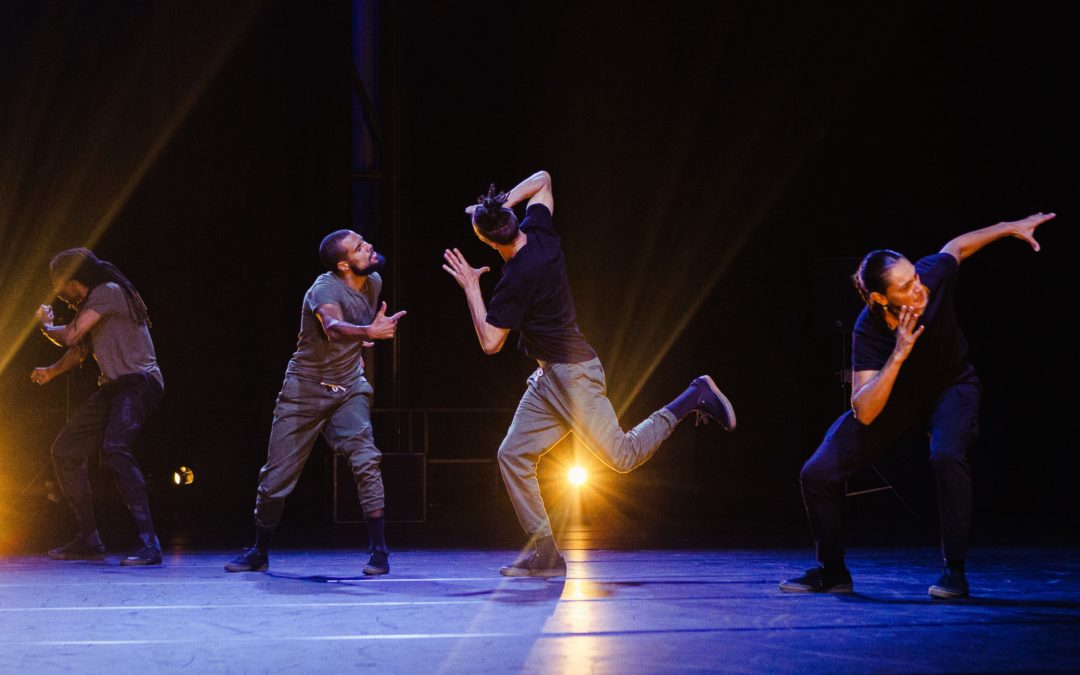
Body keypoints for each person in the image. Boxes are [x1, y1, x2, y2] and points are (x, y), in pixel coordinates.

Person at [442, 170, 736, 577]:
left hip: (574, 377)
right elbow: (543, 179)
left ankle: (694, 395)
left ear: (490, 243)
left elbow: (491, 343)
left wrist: (472, 287)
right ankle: (546, 552)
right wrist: (497, 206)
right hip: (550, 379)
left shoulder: (517, 278)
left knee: (622, 456)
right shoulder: (540, 233)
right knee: (512, 454)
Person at [780, 212, 1056, 598]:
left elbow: (957, 248)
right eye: (906, 286)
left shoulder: (932, 276)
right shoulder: (869, 328)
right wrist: (898, 355)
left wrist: (1009, 228)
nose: (918, 288)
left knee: (946, 454)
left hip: (952, 386)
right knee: (816, 472)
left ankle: (954, 570)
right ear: (880, 298)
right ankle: (833, 571)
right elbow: (865, 410)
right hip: (898, 398)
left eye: (915, 276)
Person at [225, 230, 405, 575]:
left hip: (348, 386)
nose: (369, 247)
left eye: (364, 242)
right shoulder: (323, 289)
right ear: (343, 264)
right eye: (359, 247)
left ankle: (379, 551)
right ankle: (260, 549)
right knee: (276, 479)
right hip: (304, 389)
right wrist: (367, 333)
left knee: (366, 459)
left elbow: (350, 331)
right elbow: (333, 326)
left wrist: (359, 344)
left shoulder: (374, 282)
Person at [32, 248, 165, 565]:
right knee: (65, 450)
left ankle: (150, 543)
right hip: (114, 388)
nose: (57, 291)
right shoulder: (94, 305)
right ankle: (89, 538)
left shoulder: (107, 291)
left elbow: (71, 335)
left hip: (139, 383)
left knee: (115, 448)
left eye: (58, 283)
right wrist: (52, 371)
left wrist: (46, 325)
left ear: (72, 279)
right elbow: (79, 349)